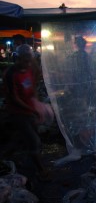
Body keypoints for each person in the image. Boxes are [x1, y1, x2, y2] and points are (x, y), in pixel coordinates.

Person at [2, 44, 49, 180]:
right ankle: (42, 171)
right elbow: (14, 98)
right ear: (18, 58)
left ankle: (13, 158)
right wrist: (32, 109)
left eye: (30, 60)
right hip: (18, 112)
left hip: (30, 110)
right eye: (25, 60)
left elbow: (32, 87)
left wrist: (37, 103)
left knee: (27, 138)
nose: (28, 63)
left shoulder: (28, 69)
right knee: (33, 140)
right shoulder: (11, 74)